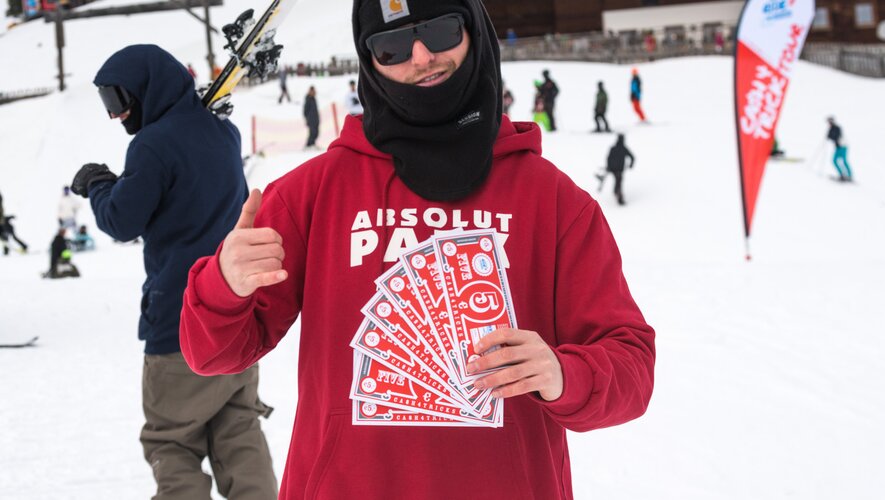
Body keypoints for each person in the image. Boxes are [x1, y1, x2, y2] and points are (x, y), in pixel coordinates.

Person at [179, 1, 655, 499]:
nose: (422, 56)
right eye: (393, 45)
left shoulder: (555, 202)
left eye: (441, 30)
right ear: (371, 62)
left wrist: (565, 374)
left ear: (473, 31)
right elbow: (211, 354)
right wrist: (223, 285)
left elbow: (632, 366)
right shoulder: (313, 194)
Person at [68, 45, 277, 499]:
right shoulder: (224, 132)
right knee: (237, 431)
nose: (116, 115)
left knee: (172, 441)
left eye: (118, 101)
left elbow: (123, 221)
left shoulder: (153, 144)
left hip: (180, 323)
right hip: (235, 312)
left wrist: (101, 185)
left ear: (144, 91)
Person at [596, 133, 633, 205]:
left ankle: (616, 191)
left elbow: (608, 158)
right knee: (619, 181)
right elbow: (632, 157)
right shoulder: (623, 148)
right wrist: (631, 165)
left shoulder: (613, 148)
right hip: (619, 169)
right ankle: (619, 197)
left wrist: (609, 167)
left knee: (617, 181)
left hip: (613, 169)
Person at [0, 191, 29, 255]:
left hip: (6, 226)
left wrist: (9, 218)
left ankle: (24, 246)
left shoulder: (1, 209)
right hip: (4, 226)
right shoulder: (1, 208)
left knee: (9, 238)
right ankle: (6, 252)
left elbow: (2, 218)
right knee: (5, 238)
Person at [826, 116, 853, 182]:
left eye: (830, 121)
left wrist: (830, 136)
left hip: (843, 146)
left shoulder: (837, 128)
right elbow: (829, 136)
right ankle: (842, 175)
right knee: (834, 161)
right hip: (838, 147)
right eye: (828, 122)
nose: (829, 123)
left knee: (843, 161)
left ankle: (849, 176)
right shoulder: (831, 128)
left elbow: (836, 136)